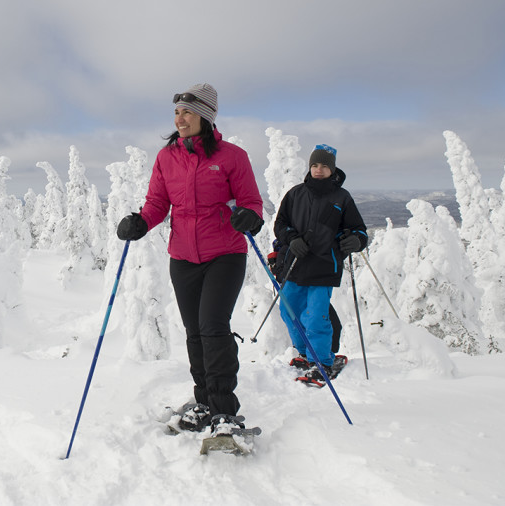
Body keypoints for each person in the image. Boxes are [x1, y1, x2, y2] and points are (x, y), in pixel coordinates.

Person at [116, 83, 264, 435]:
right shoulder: (167, 157)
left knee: (213, 327)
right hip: (182, 257)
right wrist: (140, 222)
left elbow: (251, 201)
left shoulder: (232, 156)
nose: (180, 119)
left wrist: (250, 218)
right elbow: (157, 203)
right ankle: (203, 402)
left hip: (225, 254)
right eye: (177, 113)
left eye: (187, 112)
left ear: (206, 117)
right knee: (195, 332)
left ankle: (224, 412)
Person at [273, 144, 367, 383]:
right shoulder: (295, 194)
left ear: (332, 169)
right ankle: (306, 354)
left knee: (316, 317)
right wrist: (292, 239)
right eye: (315, 165)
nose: (318, 170)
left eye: (324, 166)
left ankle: (323, 361)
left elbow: (359, 230)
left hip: (324, 266)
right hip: (295, 264)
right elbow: (280, 225)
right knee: (289, 311)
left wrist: (356, 240)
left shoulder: (341, 198)